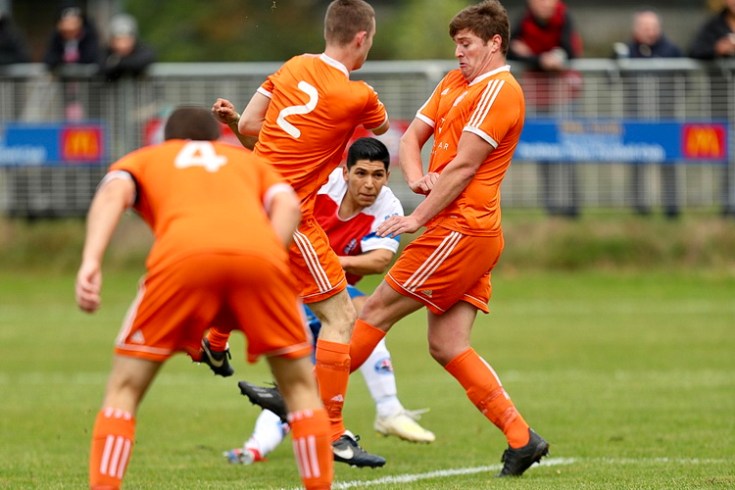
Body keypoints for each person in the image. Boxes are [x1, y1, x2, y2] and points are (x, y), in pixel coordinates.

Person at [75, 106, 333, 490]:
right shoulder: (244, 161)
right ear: (217, 139)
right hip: (259, 257)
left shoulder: (149, 158)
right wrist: (268, 255)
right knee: (299, 390)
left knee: (124, 389)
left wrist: (91, 260)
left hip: (183, 258)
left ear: (169, 140)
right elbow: (289, 206)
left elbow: (114, 191)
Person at [348, 0, 548, 478]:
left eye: (466, 44)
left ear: (494, 43)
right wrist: (417, 179)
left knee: (375, 309)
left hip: (460, 228)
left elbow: (462, 167)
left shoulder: (501, 91)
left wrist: (418, 215)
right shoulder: (458, 82)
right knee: (448, 345)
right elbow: (413, 137)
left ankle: (308, 402)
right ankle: (523, 440)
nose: (458, 53)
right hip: (460, 227)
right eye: (456, 44)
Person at [210, 0, 389, 469]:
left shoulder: (292, 67)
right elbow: (383, 126)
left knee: (268, 282)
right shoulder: (360, 94)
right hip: (289, 209)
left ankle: (213, 337)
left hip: (250, 193)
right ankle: (329, 430)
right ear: (362, 39)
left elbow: (249, 128)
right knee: (341, 315)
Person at [218, 137, 434, 466]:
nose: (369, 183)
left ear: (387, 177)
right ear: (345, 173)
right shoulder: (324, 183)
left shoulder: (389, 206)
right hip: (289, 287)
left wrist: (325, 264)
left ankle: (388, 408)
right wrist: (238, 126)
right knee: (301, 378)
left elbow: (377, 262)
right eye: (361, 173)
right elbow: (274, 158)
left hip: (329, 294)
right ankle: (256, 446)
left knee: (351, 331)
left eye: (378, 175)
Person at [508, 0, 583, 218]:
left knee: (568, 150)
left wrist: (532, 55)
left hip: (565, 97)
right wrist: (542, 59)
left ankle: (572, 207)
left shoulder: (564, 18)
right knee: (544, 150)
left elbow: (570, 51)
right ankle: (551, 206)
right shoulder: (523, 20)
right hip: (538, 98)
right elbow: (512, 51)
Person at [613, 10, 683, 217]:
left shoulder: (672, 50)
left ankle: (672, 208)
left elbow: (686, 80)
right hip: (635, 117)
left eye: (653, 27)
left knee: (669, 161)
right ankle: (640, 207)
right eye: (645, 27)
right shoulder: (625, 50)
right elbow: (611, 78)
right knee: (637, 160)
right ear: (636, 29)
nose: (650, 32)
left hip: (666, 117)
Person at [101, 13, 156, 82]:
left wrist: (117, 63)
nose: (123, 45)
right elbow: (103, 67)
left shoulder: (143, 49)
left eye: (126, 39)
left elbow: (142, 61)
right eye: (119, 40)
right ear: (111, 40)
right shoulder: (105, 51)